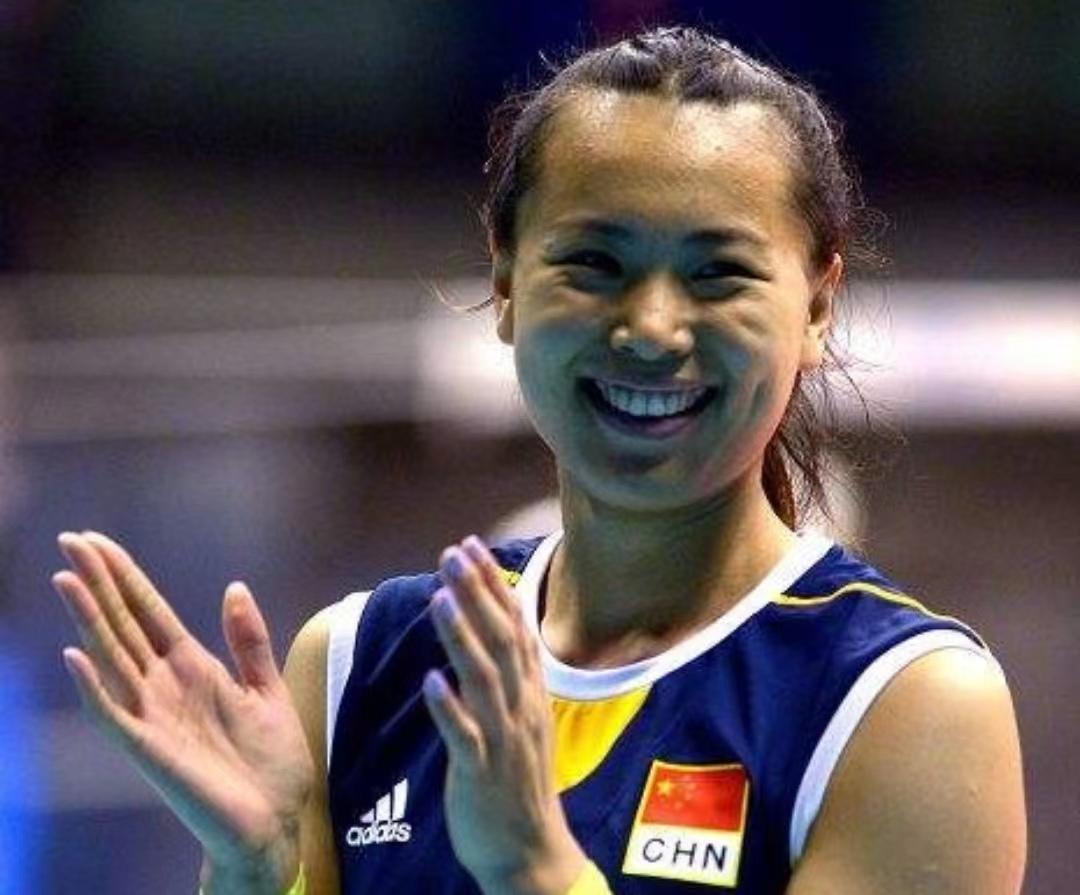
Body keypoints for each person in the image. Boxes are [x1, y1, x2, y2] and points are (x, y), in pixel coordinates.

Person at [52, 26, 1026, 895]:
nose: (651, 328)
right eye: (594, 263)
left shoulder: (906, 706)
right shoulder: (358, 667)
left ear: (816, 305)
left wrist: (538, 871)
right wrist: (253, 872)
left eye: (717, 272)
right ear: (508, 279)